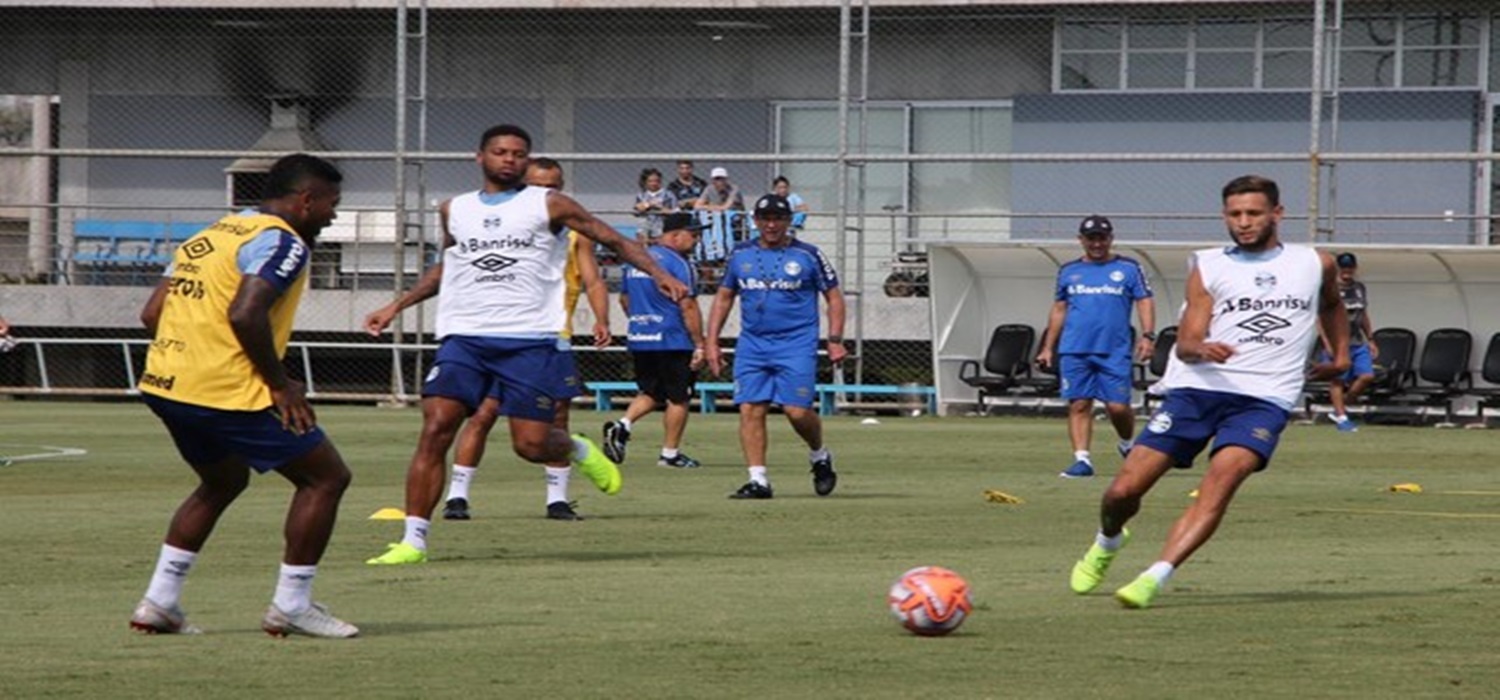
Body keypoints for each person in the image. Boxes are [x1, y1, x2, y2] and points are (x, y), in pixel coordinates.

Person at [363, 124, 688, 565]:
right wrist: (396, 305)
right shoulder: (454, 209)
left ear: (527, 159)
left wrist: (661, 274)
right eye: (500, 152)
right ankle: (413, 541)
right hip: (464, 335)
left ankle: (577, 449)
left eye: (518, 153)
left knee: (531, 445)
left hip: (528, 340)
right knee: (436, 426)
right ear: (480, 157)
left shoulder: (549, 203)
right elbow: (448, 268)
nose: (509, 159)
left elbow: (611, 238)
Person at [1067, 175, 1349, 609]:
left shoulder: (1316, 263)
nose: (1244, 222)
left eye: (1253, 213)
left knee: (1223, 479)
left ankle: (1155, 577)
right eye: (1235, 214)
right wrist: (1199, 348)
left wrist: (1341, 356)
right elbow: (1185, 341)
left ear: (1277, 213)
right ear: (1224, 216)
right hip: (1197, 390)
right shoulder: (1209, 265)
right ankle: (1108, 540)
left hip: (1265, 399)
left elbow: (1331, 305)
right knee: (1122, 492)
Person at [129, 154, 359, 638]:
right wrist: (280, 384)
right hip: (227, 390)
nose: (333, 215)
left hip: (166, 383)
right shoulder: (284, 242)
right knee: (326, 478)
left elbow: (152, 315)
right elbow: (246, 314)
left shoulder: (211, 234)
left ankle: (159, 602)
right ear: (305, 200)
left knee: (221, 481)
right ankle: (292, 605)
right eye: (331, 205)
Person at [370, 158, 611, 523]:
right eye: (542, 184)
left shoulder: (571, 229)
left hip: (546, 336)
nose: (550, 192)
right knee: (477, 415)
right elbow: (450, 265)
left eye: (556, 185)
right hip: (482, 335)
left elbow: (592, 279)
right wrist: (398, 304)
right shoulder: (482, 218)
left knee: (546, 428)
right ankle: (457, 497)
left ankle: (557, 499)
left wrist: (602, 318)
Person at [705, 194, 846, 499]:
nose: (771, 225)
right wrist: (712, 342)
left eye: (778, 219)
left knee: (796, 412)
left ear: (788, 221)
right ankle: (758, 480)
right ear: (755, 221)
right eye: (765, 218)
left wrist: (834, 340)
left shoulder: (808, 255)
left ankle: (819, 455)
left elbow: (833, 296)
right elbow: (724, 297)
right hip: (752, 344)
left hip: (796, 344)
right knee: (750, 408)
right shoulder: (740, 254)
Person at [1035, 215, 1156, 479]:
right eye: (1091, 238)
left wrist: (1148, 336)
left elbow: (1144, 300)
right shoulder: (1068, 271)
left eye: (1102, 238)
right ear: (1081, 240)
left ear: (1111, 239)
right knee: (1079, 404)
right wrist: (1047, 347)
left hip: (1114, 350)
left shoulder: (1129, 268)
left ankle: (1127, 444)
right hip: (1074, 349)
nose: (1097, 243)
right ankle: (1082, 460)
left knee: (1117, 407)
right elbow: (1059, 309)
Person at [602, 212, 708, 469]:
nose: (696, 241)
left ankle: (622, 425)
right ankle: (670, 454)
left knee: (652, 392)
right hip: (673, 339)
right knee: (679, 398)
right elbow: (688, 306)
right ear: (674, 235)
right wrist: (699, 344)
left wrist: (642, 321)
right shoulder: (680, 264)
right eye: (693, 235)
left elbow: (624, 300)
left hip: (641, 337)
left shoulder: (637, 262)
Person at [1321, 252, 1377, 432]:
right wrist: (1327, 344)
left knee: (1367, 376)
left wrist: (1371, 339)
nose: (1347, 271)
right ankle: (1343, 418)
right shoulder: (1330, 288)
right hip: (1336, 342)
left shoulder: (1360, 288)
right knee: (1338, 380)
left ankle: (1340, 409)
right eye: (1343, 268)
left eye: (1350, 268)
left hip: (1357, 341)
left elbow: (1363, 315)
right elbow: (1320, 319)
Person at [634, 167, 678, 239]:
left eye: (656, 181)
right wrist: (649, 204)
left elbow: (675, 211)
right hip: (646, 223)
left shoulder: (668, 194)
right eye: (650, 181)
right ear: (645, 182)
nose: (654, 183)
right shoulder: (642, 195)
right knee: (642, 223)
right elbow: (637, 210)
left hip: (662, 224)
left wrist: (659, 207)